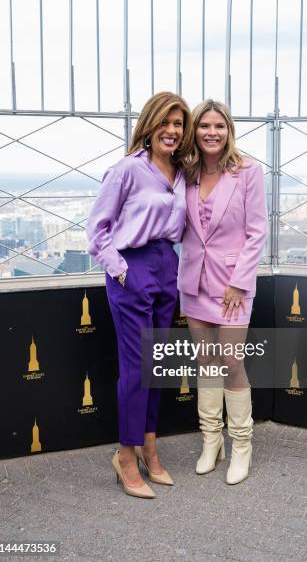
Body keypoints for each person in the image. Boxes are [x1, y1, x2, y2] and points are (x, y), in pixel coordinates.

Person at [87, 92, 193, 498]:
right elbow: (97, 229)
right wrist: (122, 271)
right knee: (136, 367)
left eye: (179, 124)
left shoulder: (184, 173)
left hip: (168, 267)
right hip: (133, 268)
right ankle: (126, 456)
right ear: (149, 126)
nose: (172, 130)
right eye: (165, 123)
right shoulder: (127, 170)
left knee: (157, 365)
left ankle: (150, 447)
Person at [178, 99, 267, 485]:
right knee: (207, 362)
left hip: (233, 284)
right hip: (194, 282)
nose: (211, 132)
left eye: (219, 126)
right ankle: (210, 441)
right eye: (204, 126)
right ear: (194, 130)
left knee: (230, 361)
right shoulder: (187, 171)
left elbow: (257, 231)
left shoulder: (248, 171)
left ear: (229, 130)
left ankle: (242, 446)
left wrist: (238, 282)